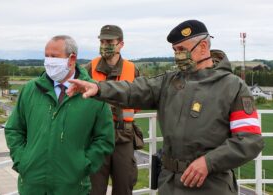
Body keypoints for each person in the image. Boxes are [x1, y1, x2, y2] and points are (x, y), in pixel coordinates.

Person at [66, 20, 264, 195]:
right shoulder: (169, 82)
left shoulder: (232, 87)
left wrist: (209, 162)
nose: (178, 56)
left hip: (212, 186)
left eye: (182, 49)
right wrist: (98, 88)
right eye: (175, 51)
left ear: (203, 47)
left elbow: (249, 140)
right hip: (170, 184)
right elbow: (133, 89)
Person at [4, 35, 115, 195]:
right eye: (46, 56)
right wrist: (23, 161)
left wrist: (82, 166)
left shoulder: (93, 94)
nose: (48, 61)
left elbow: (104, 139)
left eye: (54, 57)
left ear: (72, 59)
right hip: (32, 185)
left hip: (72, 187)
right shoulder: (30, 89)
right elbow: (14, 129)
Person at [84, 25, 140, 195]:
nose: (105, 45)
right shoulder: (89, 68)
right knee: (94, 189)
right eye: (102, 41)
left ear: (120, 44)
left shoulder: (132, 70)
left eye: (110, 41)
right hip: (95, 138)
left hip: (123, 138)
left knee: (124, 187)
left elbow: (139, 100)